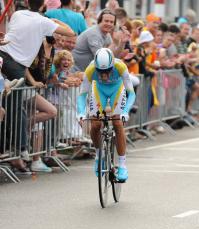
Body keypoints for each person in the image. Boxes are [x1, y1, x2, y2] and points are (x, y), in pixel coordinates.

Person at [0, 0, 75, 173]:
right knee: (15, 107)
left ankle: (16, 148)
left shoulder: (17, 15)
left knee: (8, 107)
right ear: (42, 5)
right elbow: (70, 32)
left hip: (4, 56)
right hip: (15, 65)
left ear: (26, 2)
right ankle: (20, 147)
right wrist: (55, 21)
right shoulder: (43, 21)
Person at [77, 48, 136, 182]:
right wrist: (80, 113)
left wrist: (125, 111)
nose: (104, 75)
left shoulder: (120, 66)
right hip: (99, 90)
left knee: (117, 122)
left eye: (107, 71)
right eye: (101, 72)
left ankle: (122, 165)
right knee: (96, 123)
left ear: (112, 66)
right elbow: (82, 95)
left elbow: (131, 93)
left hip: (116, 89)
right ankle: (99, 156)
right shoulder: (90, 70)